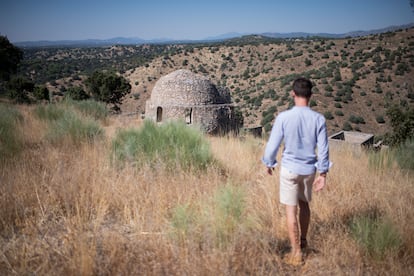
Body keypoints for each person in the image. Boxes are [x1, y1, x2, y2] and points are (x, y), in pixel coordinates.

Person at [261, 77, 330, 266]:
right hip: (309, 170)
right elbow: (323, 149)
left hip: (289, 169)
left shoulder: (283, 117)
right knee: (304, 205)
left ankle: (297, 251)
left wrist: (269, 163)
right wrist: (323, 174)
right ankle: (304, 240)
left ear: (293, 93)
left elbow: (273, 144)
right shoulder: (318, 119)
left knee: (290, 210)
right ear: (311, 95)